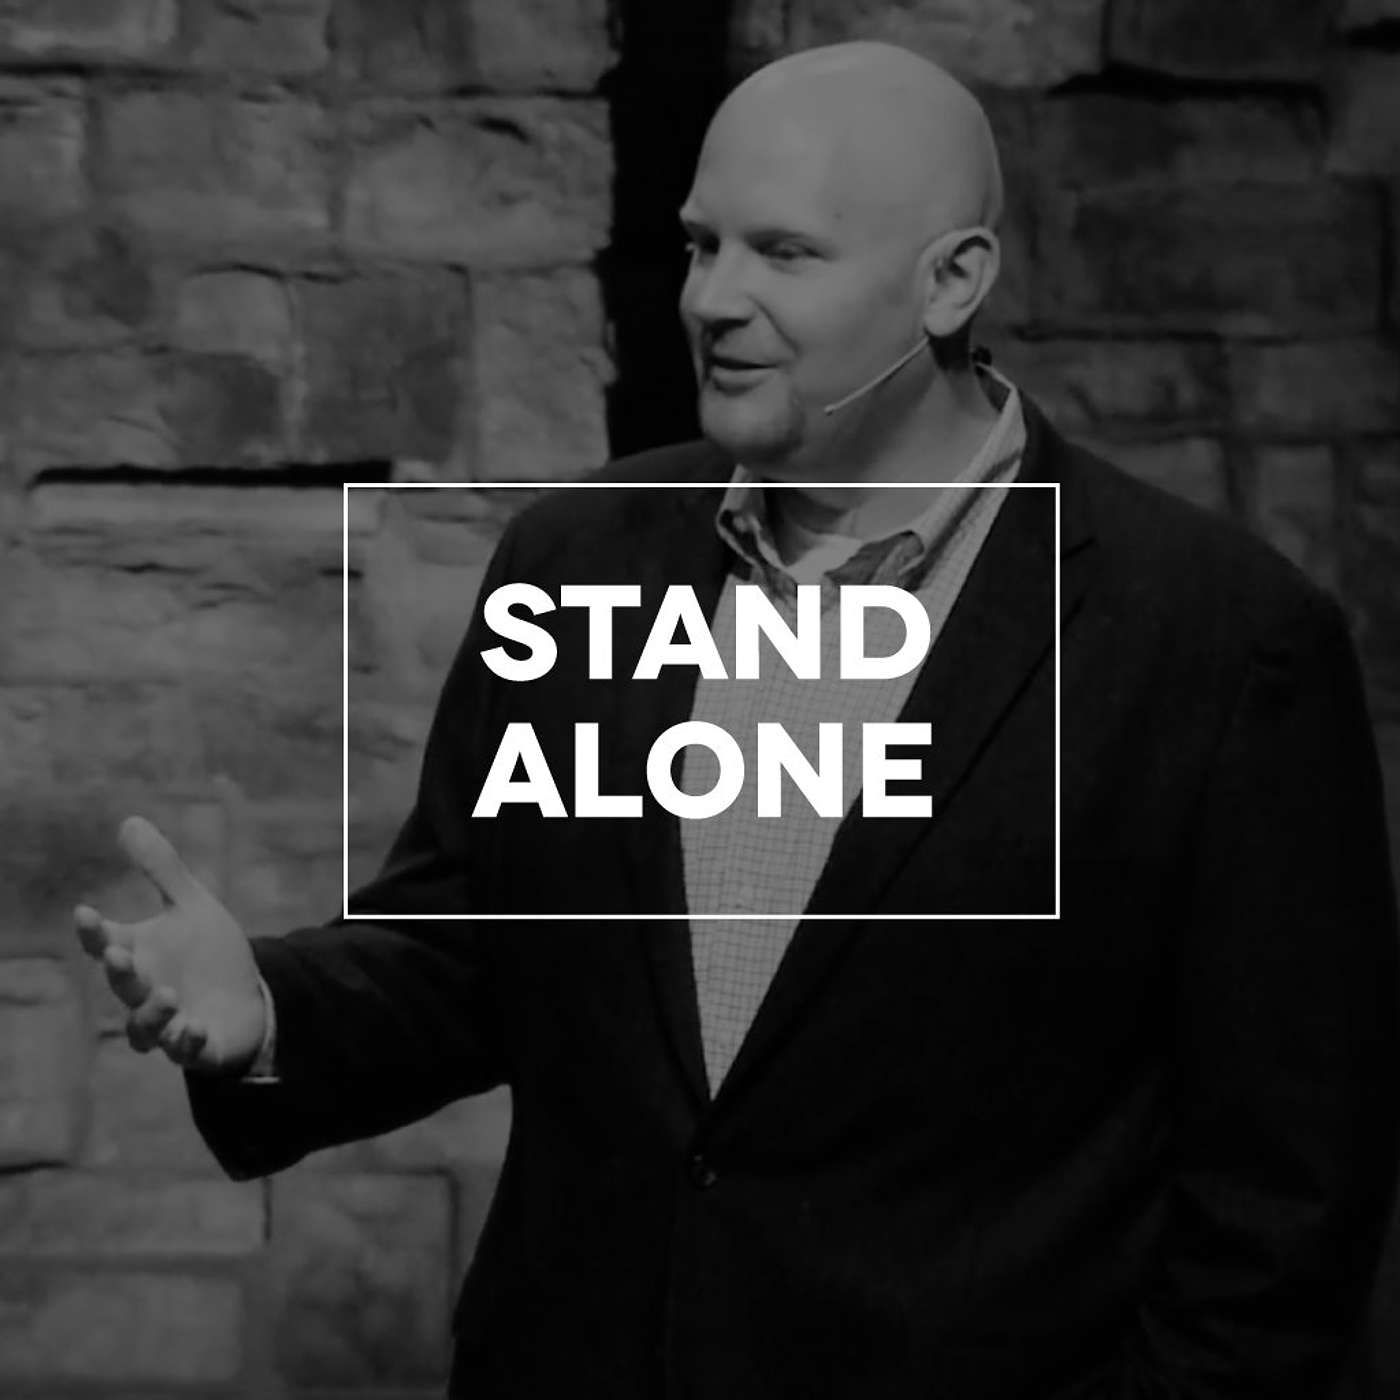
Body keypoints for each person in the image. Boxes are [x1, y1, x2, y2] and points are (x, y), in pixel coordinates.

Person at [75, 42, 1400, 1400]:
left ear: (952, 281)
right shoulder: (579, 559)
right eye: (703, 245)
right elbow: (473, 947)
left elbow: (1286, 1206)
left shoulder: (1220, 644)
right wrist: (270, 1010)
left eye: (785, 253)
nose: (713, 298)